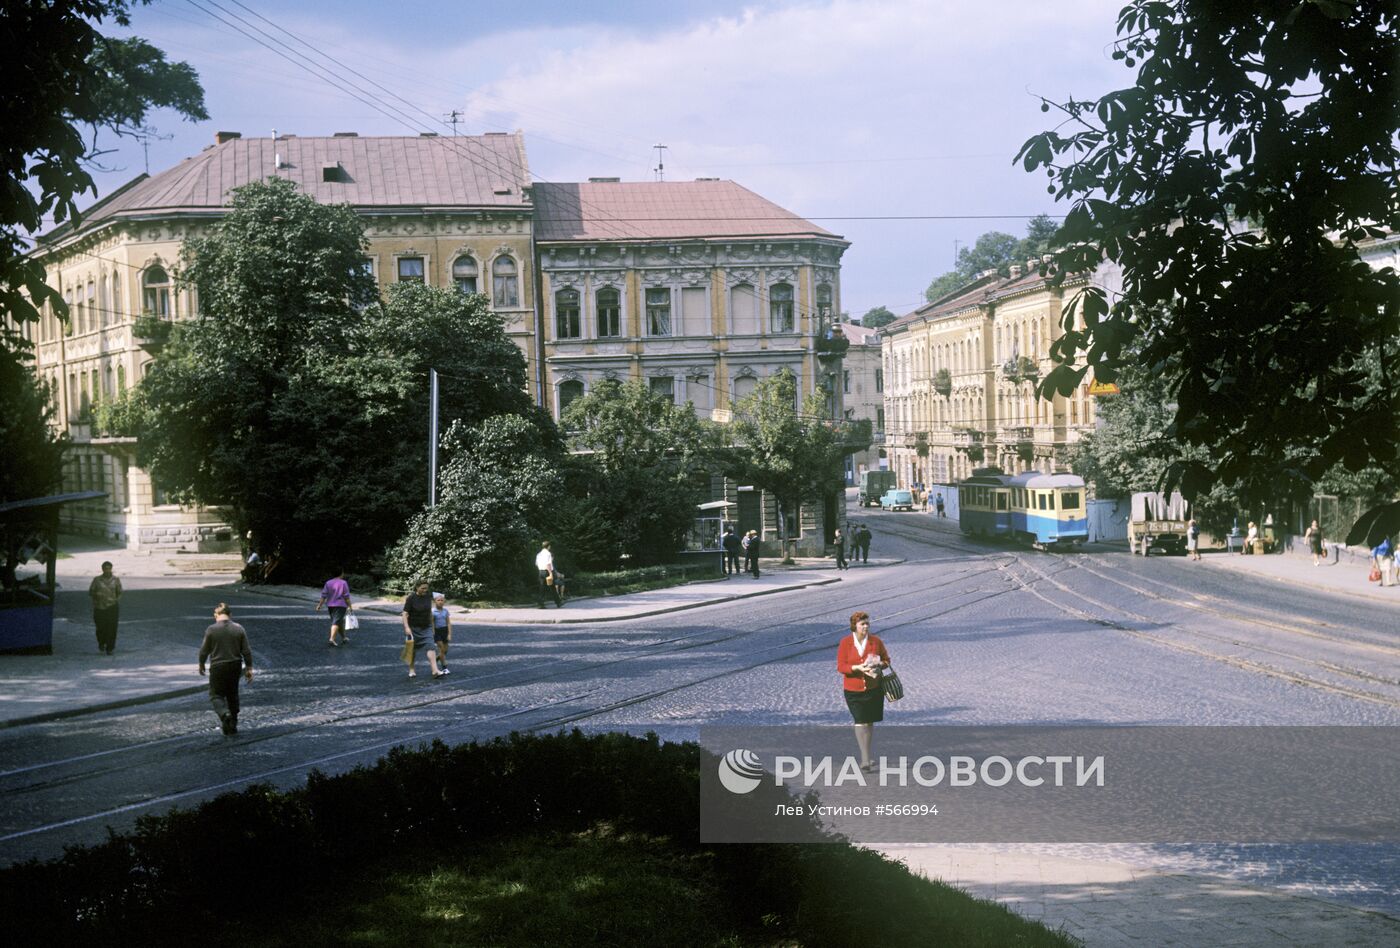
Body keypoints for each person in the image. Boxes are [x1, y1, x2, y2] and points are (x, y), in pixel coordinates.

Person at [836, 611, 890, 772]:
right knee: (860, 721)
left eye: (867, 623)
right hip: (853, 690)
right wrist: (856, 668)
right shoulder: (845, 643)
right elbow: (841, 666)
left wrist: (879, 664)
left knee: (869, 722)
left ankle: (867, 753)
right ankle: (865, 758)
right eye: (862, 624)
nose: (866, 627)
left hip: (873, 688)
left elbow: (887, 660)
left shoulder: (876, 641)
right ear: (855, 626)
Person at [198, 602, 253, 736]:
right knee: (232, 694)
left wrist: (201, 664)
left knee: (216, 695)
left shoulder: (211, 630)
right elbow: (246, 651)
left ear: (215, 615)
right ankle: (232, 723)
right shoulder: (239, 628)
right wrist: (249, 668)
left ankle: (224, 713)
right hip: (235, 665)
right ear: (230, 615)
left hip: (218, 666)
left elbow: (203, 651)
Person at [402, 580, 445, 678]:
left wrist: (432, 626)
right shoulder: (411, 598)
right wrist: (406, 627)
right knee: (412, 649)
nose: (425, 590)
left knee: (431, 646)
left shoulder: (427, 597)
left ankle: (435, 670)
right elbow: (405, 614)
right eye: (422, 588)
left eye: (426, 588)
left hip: (426, 626)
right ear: (417, 587)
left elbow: (429, 612)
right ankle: (412, 669)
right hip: (413, 627)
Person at [88, 561, 123, 655]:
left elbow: (119, 592)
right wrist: (97, 597)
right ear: (102, 569)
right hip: (99, 607)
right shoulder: (97, 580)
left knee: (112, 628)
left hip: (112, 607)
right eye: (105, 568)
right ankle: (101, 643)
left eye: (109, 568)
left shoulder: (116, 580)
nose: (107, 570)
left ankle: (110, 647)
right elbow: (91, 592)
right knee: (100, 627)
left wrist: (115, 601)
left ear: (111, 569)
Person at [315, 568, 353, 646]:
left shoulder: (328, 583)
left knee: (339, 622)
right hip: (340, 605)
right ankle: (332, 639)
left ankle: (344, 637)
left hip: (330, 605)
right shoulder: (343, 583)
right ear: (341, 574)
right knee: (336, 622)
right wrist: (350, 606)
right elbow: (346, 597)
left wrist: (319, 605)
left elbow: (324, 595)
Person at [535, 541, 561, 608]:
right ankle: (558, 603)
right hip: (547, 572)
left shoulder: (538, 554)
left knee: (542, 588)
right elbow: (548, 564)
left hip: (540, 572)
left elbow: (536, 564)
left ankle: (541, 604)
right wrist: (550, 573)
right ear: (548, 546)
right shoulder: (548, 553)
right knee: (552, 588)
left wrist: (541, 569)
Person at [431, 592, 452, 672]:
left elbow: (448, 623)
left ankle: (435, 659)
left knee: (445, 650)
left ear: (444, 601)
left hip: (445, 630)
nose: (440, 602)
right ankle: (445, 667)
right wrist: (433, 633)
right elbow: (432, 623)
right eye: (438, 600)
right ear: (435, 601)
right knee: (441, 649)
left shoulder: (445, 611)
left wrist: (449, 634)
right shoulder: (432, 611)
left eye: (442, 600)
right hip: (437, 631)